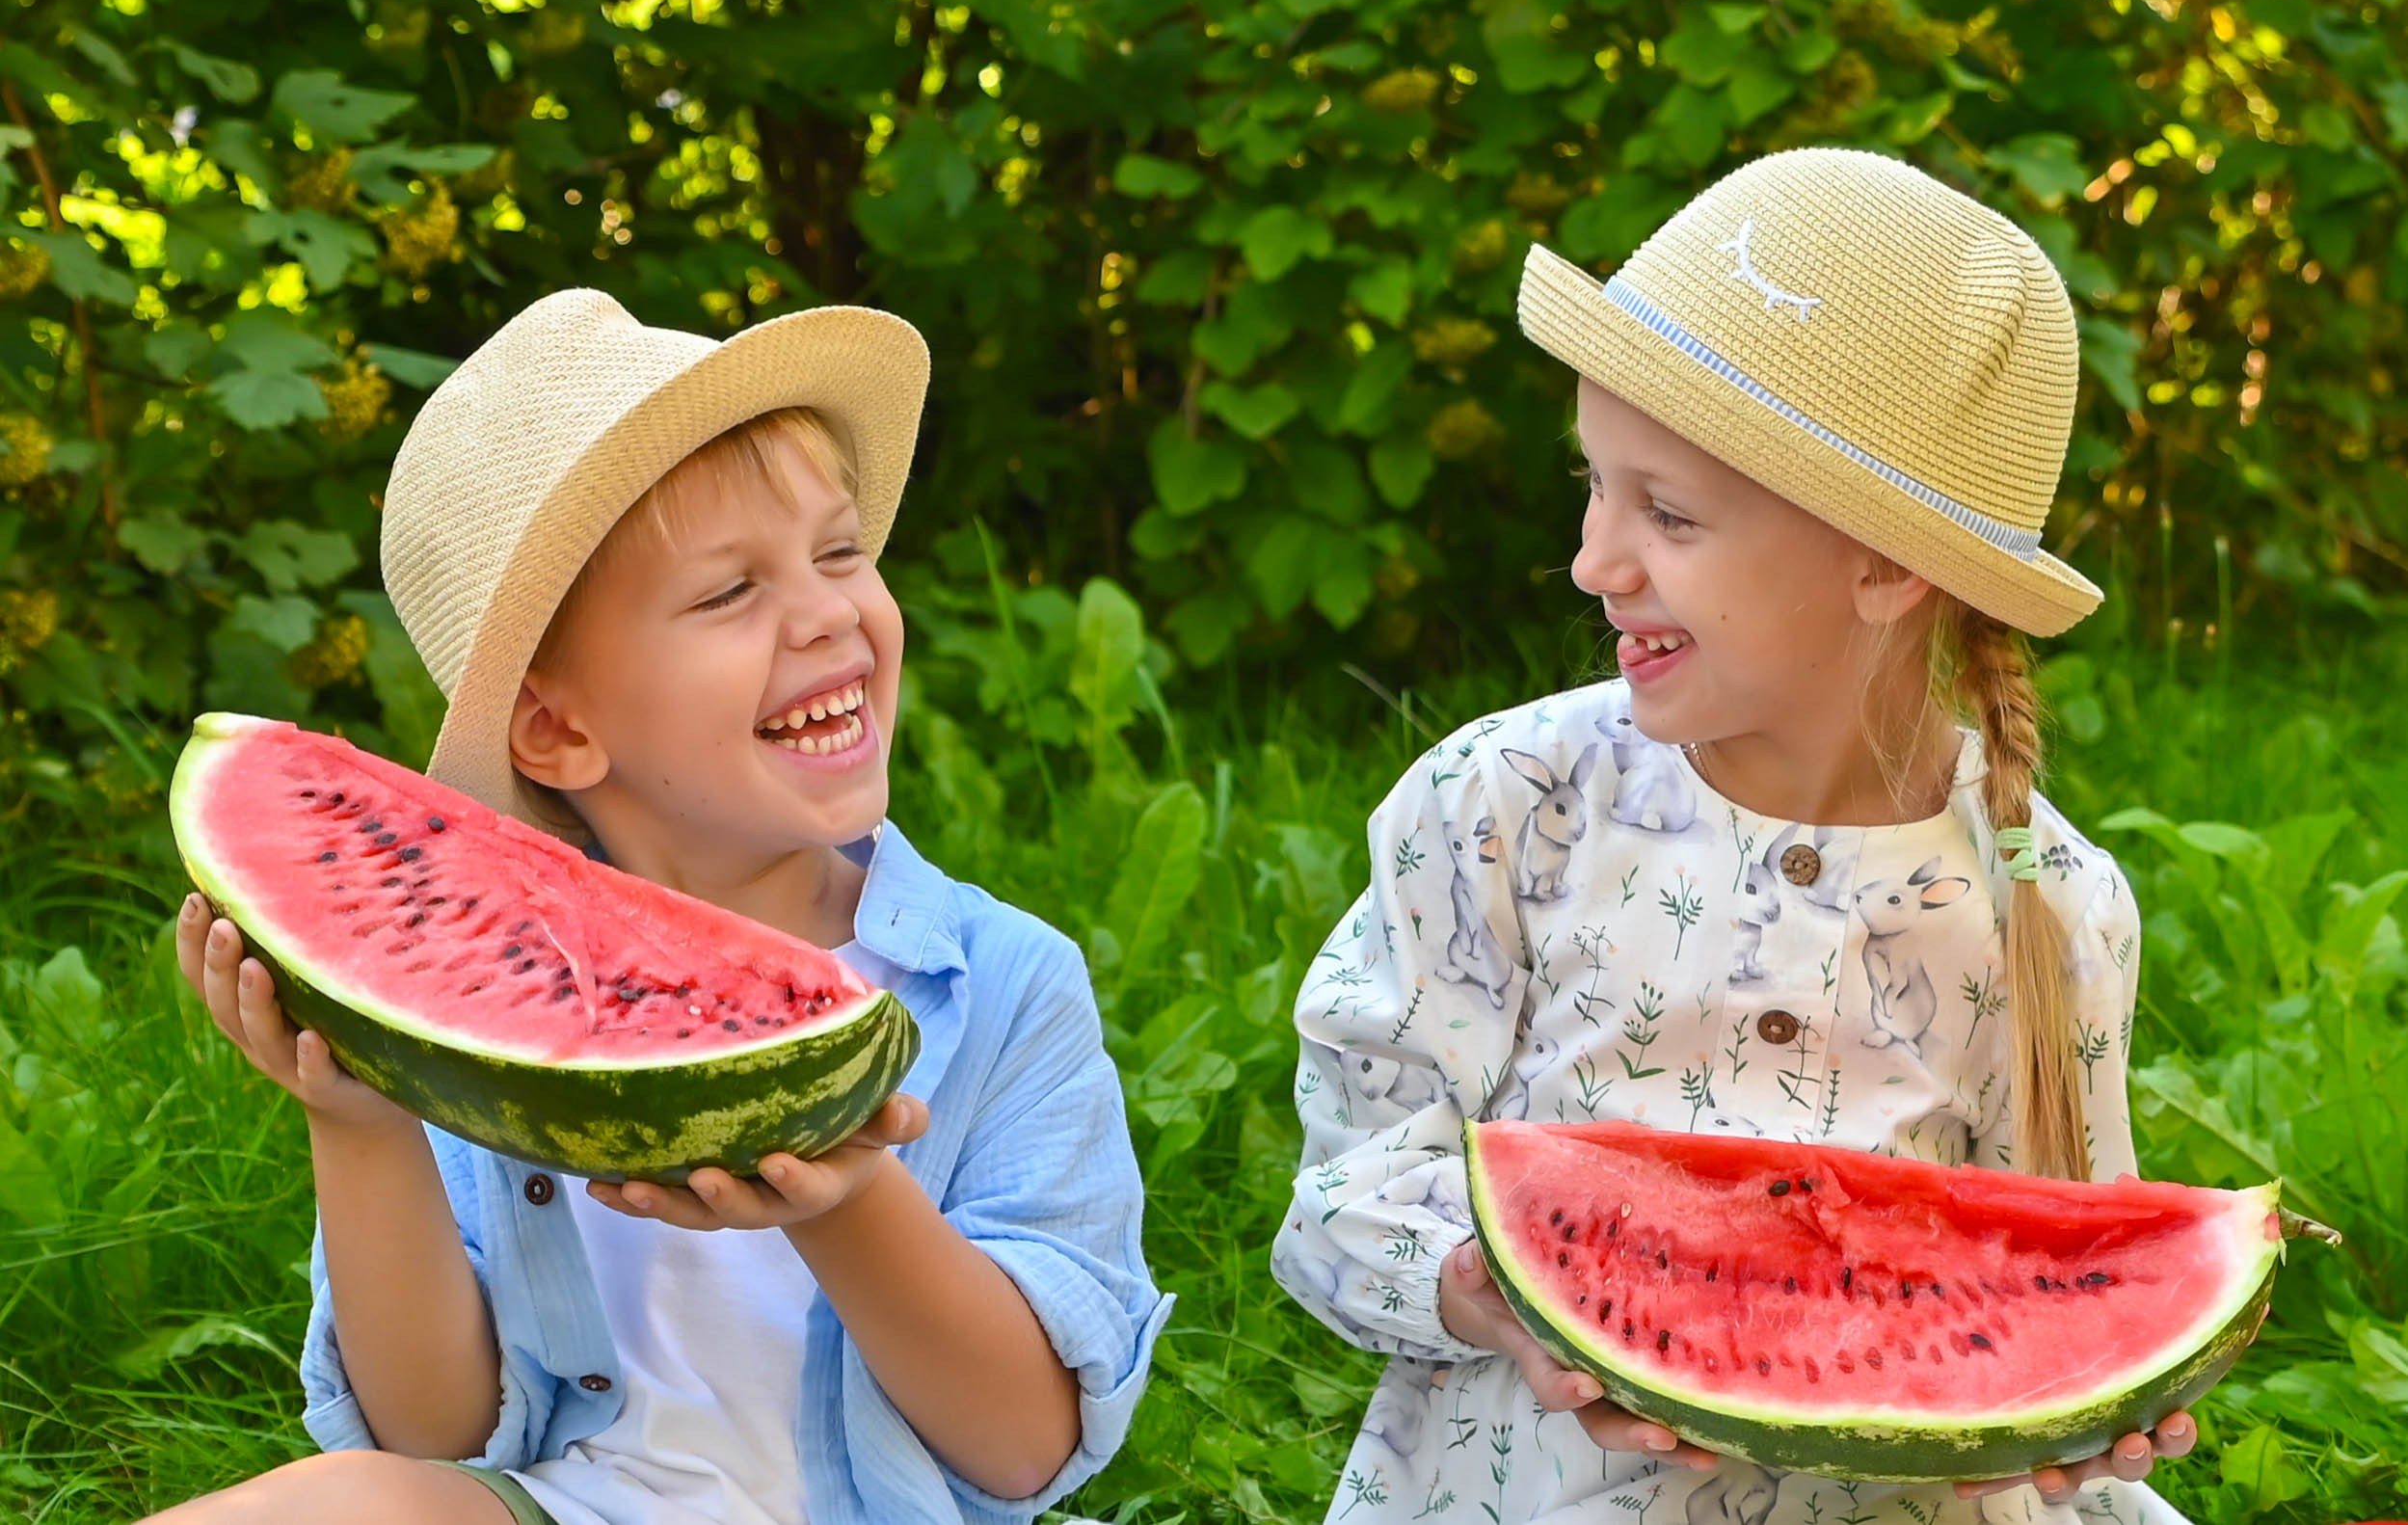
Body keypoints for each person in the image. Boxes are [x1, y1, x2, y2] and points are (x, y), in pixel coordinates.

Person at [1271, 149, 2196, 1525]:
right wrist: (1480, 1284)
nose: (1594, 560)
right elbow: (1335, 1201)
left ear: (1884, 564)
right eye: (1593, 484)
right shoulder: (1504, 805)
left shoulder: (2042, 899)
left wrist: (2080, 1398)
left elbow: (2064, 1264)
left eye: (1668, 514)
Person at [152, 290, 1168, 1525]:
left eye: (839, 554)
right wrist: (362, 1123)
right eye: (729, 592)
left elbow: (1021, 1449)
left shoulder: (1006, 985)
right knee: (337, 1498)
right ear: (555, 727)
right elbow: (435, 1437)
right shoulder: (478, 1010)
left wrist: (849, 1196)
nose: (828, 613)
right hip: (580, 1504)